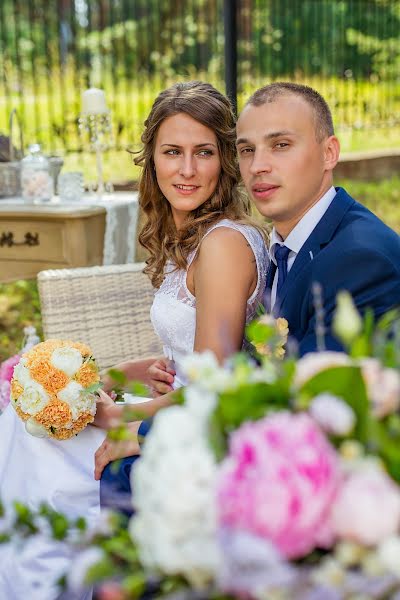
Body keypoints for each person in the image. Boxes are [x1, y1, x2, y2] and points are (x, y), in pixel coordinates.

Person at [94, 80, 268, 494]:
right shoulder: (195, 238)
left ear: (224, 161)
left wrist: (112, 417)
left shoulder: (224, 244)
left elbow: (210, 388)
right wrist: (127, 373)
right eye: (173, 152)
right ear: (152, 159)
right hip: (172, 410)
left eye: (203, 153)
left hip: (196, 441)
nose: (187, 170)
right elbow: (197, 355)